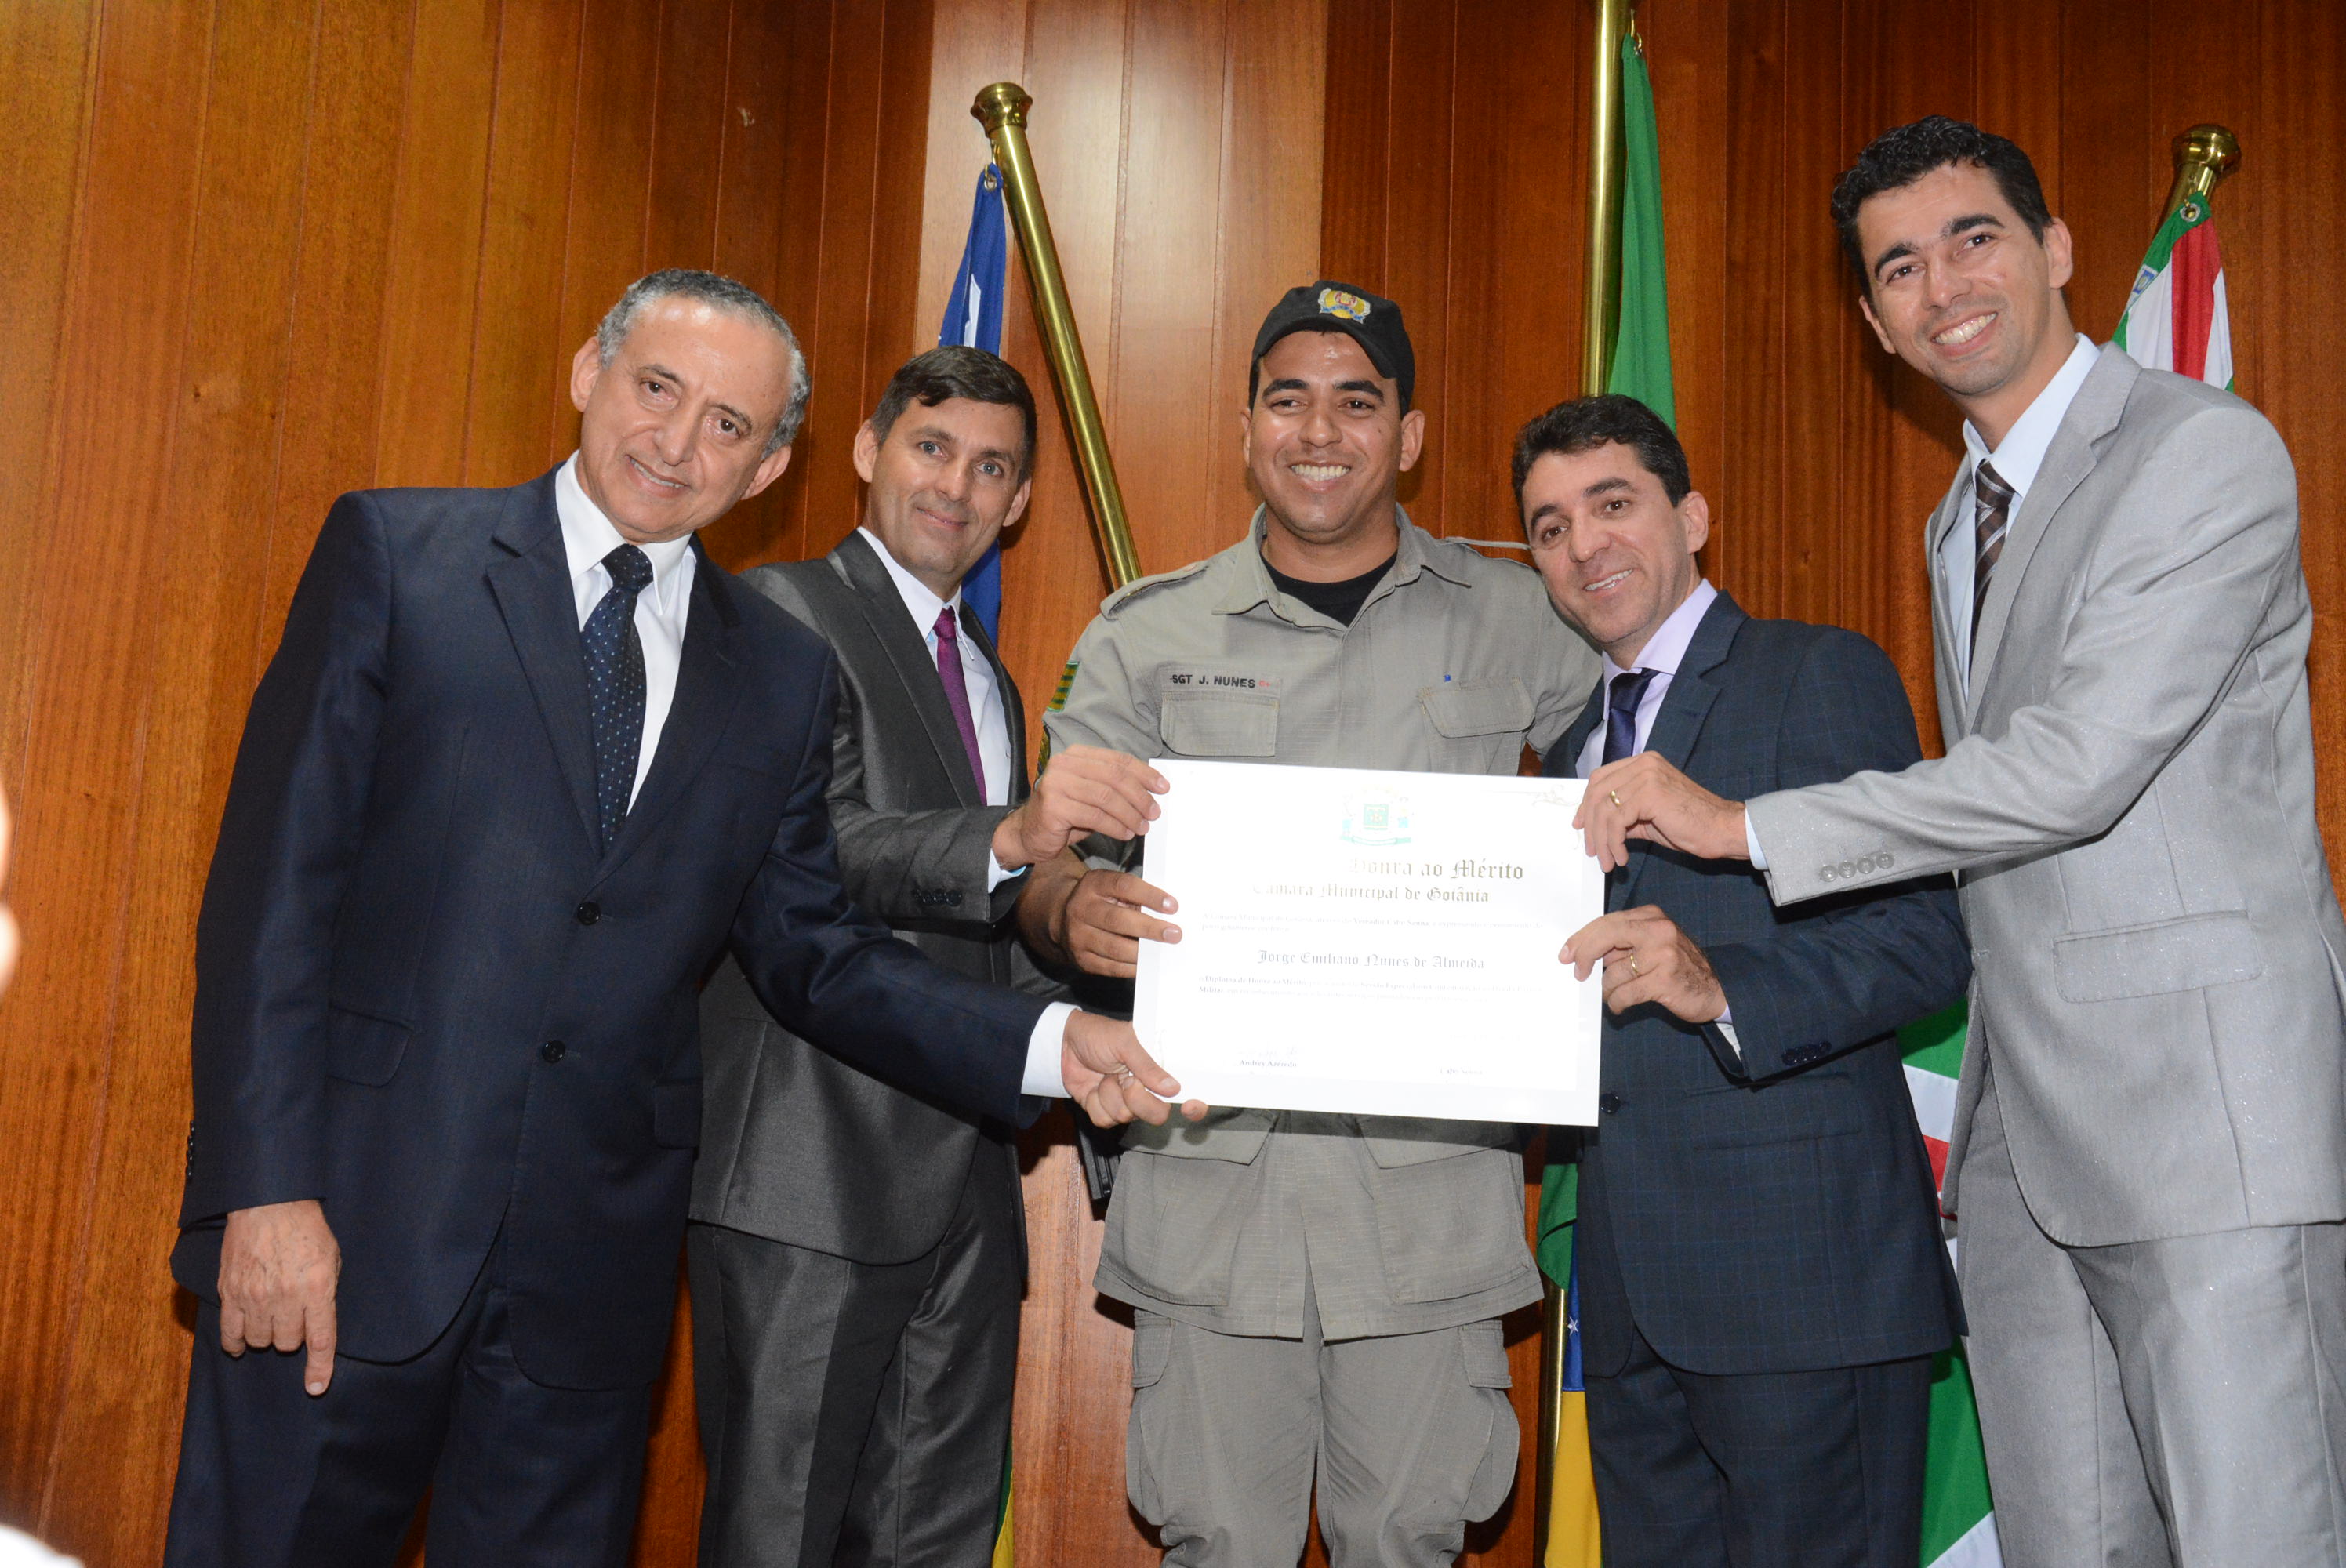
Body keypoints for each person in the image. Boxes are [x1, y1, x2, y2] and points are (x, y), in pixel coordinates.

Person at [165, 270, 1193, 1568]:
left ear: (768, 468)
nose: (676, 441)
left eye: (728, 425)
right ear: (588, 374)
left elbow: (815, 956)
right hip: (340, 1235)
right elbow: (273, 897)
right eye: (658, 388)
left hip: (586, 1286)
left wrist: (1047, 1045)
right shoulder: (398, 556)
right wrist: (264, 1193)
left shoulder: (778, 673)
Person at [1577, 118, 2346, 1565]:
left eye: (1972, 239)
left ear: (2055, 250)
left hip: (2205, 1129)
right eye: (1899, 268)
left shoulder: (2202, 451)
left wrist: (1741, 826)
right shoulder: (1957, 523)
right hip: (2021, 1146)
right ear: (1875, 325)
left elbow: (2073, 771)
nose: (1942, 286)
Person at [1019, 281, 1602, 1566]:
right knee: (1220, 1538)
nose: (1320, 431)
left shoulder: (1522, 618)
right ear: (1248, 430)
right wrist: (1074, 908)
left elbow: (1636, 776)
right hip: (1215, 1192)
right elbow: (1050, 861)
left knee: (1409, 1537)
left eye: (1357, 400)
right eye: (1288, 400)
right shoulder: (1148, 632)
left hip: (1429, 1201)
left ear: (1410, 434)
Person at [688, 346, 1165, 1568]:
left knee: (934, 1543)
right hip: (808, 1176)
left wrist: (1124, 950)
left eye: (992, 467)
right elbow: (816, 851)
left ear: (1020, 503)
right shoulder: (777, 613)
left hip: (968, 1185)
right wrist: (1013, 837)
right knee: (778, 1540)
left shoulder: (992, 679)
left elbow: (981, 931)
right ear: (867, 450)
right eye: (932, 447)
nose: (956, 486)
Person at [1523, 394, 1968, 1566]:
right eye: (1551, 528)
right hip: (1630, 1301)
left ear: (1693, 518)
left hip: (1804, 1283)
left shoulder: (1816, 673)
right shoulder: (1566, 747)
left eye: (1612, 504)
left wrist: (1720, 985)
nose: (1584, 545)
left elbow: (1926, 942)